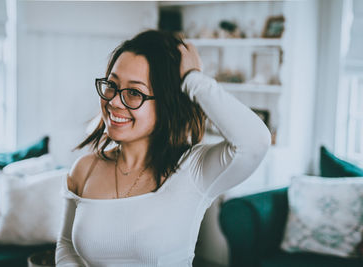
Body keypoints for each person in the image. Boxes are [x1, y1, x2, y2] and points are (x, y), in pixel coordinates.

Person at [55, 29, 271, 266]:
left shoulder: (194, 170)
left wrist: (193, 78)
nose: (114, 101)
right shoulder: (84, 169)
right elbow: (66, 246)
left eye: (134, 92)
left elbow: (255, 141)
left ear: (166, 104)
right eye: (112, 85)